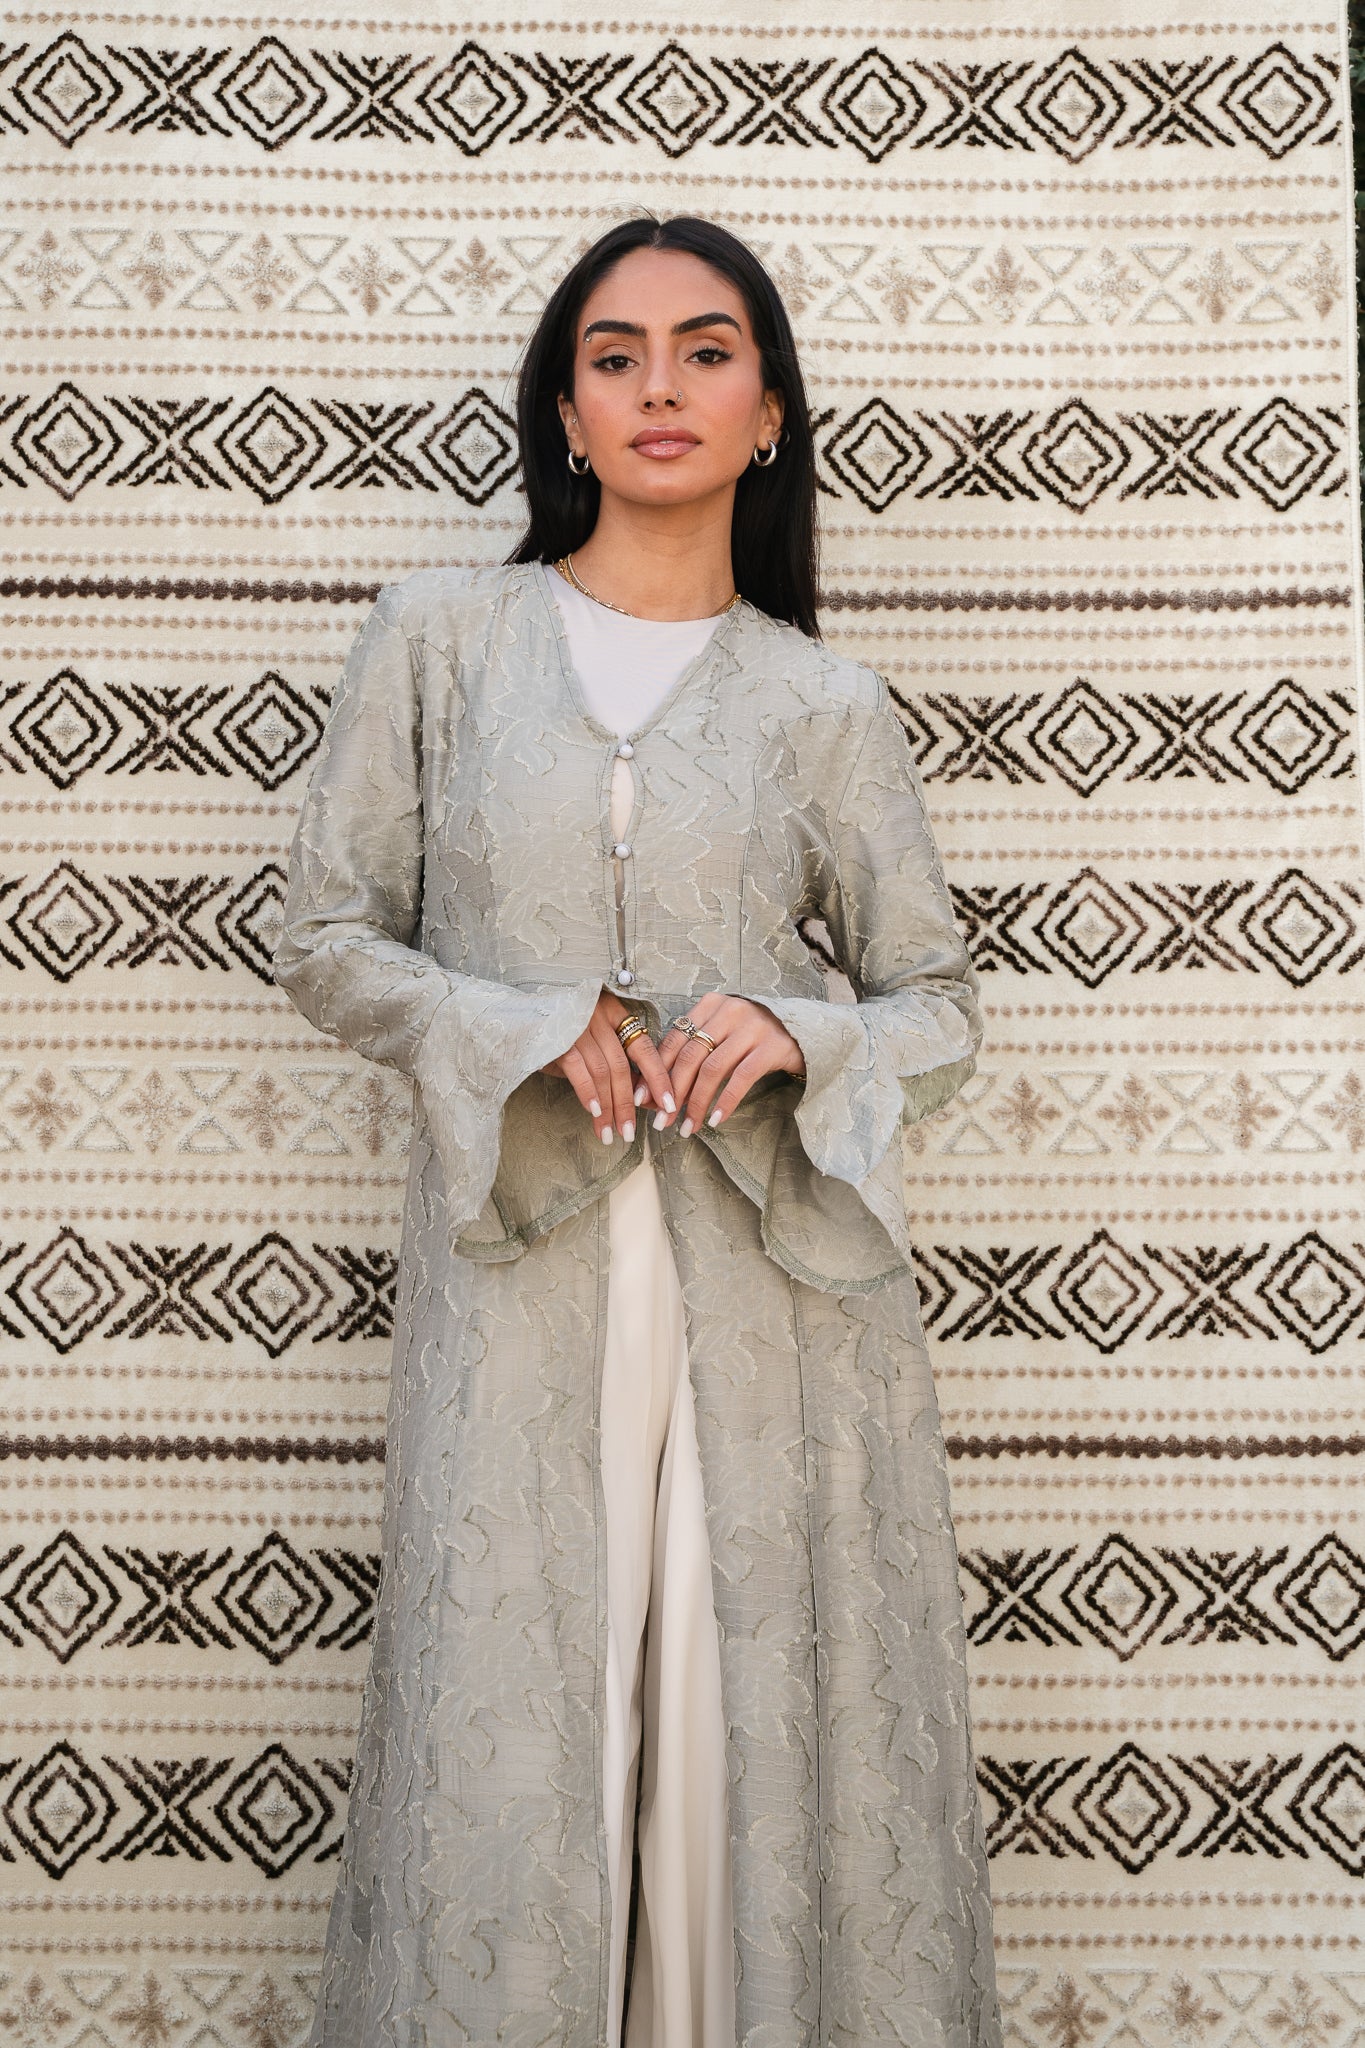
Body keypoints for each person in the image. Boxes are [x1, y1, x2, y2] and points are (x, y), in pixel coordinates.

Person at [275, 211, 1001, 2048]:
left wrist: (797, 1030)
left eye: (704, 350)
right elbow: (326, 939)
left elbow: (936, 1006)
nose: (658, 386)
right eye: (614, 356)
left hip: (770, 1310)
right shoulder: (441, 640)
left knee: (733, 1724)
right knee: (518, 1701)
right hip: (517, 1277)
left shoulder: (822, 703)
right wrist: (526, 1027)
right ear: (566, 413)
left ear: (769, 412)